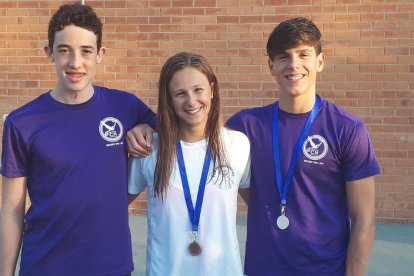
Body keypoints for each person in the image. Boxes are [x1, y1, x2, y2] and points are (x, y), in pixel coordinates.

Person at [0, 3, 155, 275]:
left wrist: (147, 127)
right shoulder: (22, 122)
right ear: (49, 53)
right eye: (64, 51)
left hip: (110, 266)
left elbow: (178, 132)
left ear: (100, 54)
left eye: (86, 51)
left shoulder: (125, 107)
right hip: (46, 264)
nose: (75, 63)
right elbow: (11, 211)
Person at [225, 17, 381, 275]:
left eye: (303, 54)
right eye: (284, 56)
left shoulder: (347, 128)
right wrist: (146, 126)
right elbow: (195, 140)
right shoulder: (245, 126)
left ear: (320, 61)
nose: (294, 64)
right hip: (263, 269)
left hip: (326, 269)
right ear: (270, 65)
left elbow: (364, 219)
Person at [128, 52, 251, 275]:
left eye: (198, 90)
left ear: (212, 89)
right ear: (168, 98)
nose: (191, 101)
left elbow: (262, 207)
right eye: (180, 93)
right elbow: (112, 207)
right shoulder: (149, 149)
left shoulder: (238, 145)